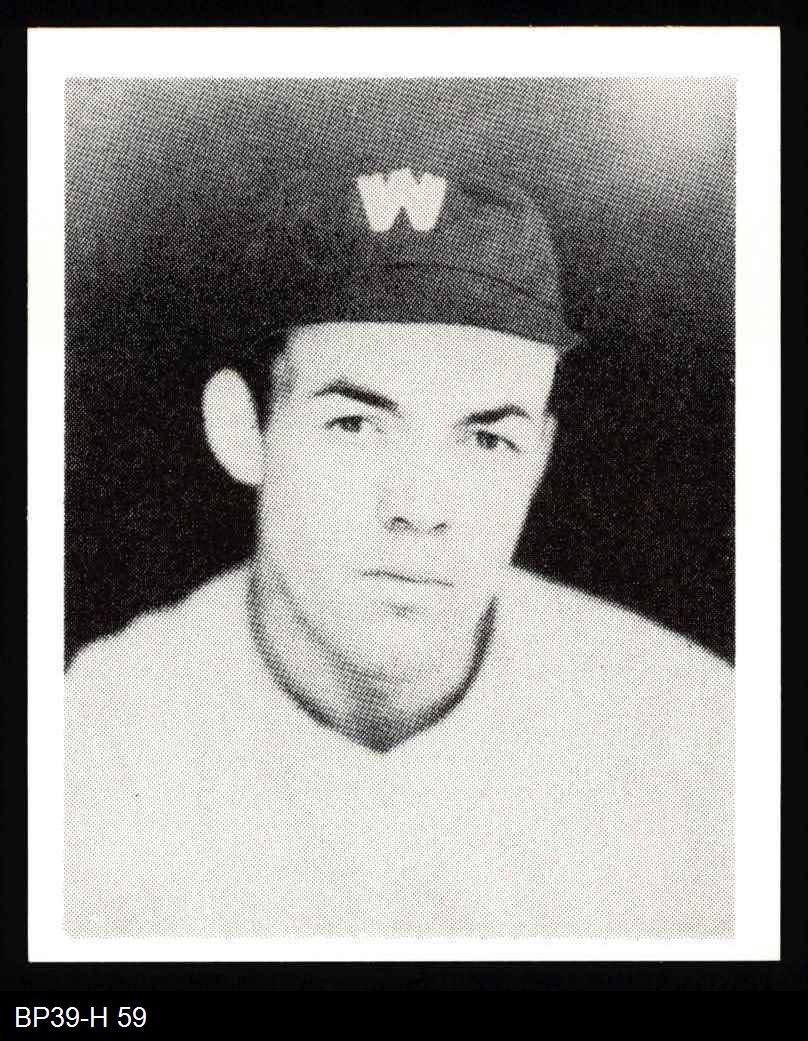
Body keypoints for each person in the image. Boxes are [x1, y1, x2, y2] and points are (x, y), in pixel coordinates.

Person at [64, 160, 733, 940]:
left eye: (486, 439)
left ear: (538, 459)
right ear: (242, 429)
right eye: (356, 425)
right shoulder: (93, 746)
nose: (419, 509)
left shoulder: (696, 740)